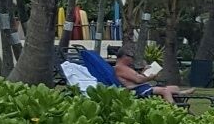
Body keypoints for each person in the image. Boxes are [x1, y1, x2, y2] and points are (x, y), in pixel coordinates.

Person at [61, 43, 193, 103]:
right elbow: (138, 80)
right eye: (131, 57)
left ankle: (181, 93)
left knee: (173, 88)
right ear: (125, 57)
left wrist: (145, 72)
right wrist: (150, 76)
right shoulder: (120, 68)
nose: (133, 59)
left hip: (140, 86)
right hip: (135, 90)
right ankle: (174, 111)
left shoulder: (125, 67)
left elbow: (137, 76)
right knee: (165, 91)